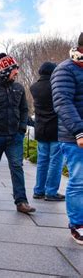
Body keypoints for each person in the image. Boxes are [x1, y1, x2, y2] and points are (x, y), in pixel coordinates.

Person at [0, 53, 35, 214]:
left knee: (17, 166)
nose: (16, 72)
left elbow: (24, 109)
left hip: (14, 136)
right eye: (14, 69)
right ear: (4, 70)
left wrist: (22, 128)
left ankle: (21, 201)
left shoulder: (19, 88)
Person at [51, 32, 83, 245]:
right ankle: (77, 224)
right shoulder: (65, 69)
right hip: (74, 136)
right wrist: (79, 131)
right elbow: (62, 102)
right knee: (79, 181)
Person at [30, 62, 65, 201]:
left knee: (42, 161)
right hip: (55, 129)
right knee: (56, 162)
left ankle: (38, 190)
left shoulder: (34, 87)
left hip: (41, 129)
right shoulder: (56, 86)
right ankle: (51, 192)